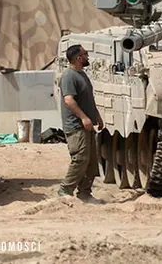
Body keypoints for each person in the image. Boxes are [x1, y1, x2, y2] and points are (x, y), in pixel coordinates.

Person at [57, 44, 105, 203]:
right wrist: (84, 118)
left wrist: (96, 116)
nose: (87, 56)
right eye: (85, 54)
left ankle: (85, 193)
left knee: (91, 162)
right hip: (76, 126)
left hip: (87, 125)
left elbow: (88, 99)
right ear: (78, 58)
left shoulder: (82, 74)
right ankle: (65, 190)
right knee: (80, 159)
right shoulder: (69, 76)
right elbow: (69, 100)